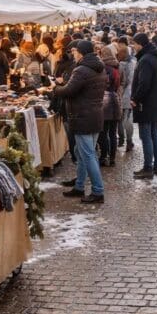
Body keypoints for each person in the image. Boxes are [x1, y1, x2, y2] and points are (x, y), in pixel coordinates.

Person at [51, 40, 107, 204]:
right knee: (82, 152)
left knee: (88, 154)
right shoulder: (99, 67)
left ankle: (98, 191)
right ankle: (79, 186)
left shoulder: (81, 70)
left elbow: (68, 90)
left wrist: (54, 87)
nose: (73, 54)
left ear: (81, 52)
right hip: (95, 116)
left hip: (83, 117)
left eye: (75, 51)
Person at [130, 33, 157, 179]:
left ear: (140, 44)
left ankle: (148, 168)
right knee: (154, 134)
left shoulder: (146, 59)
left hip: (146, 103)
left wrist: (136, 99)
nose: (133, 46)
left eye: (134, 43)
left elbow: (144, 84)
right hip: (156, 101)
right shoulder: (156, 56)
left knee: (146, 136)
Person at [98, 45, 122, 167]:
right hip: (115, 100)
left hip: (105, 101)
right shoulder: (116, 68)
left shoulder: (103, 68)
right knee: (113, 133)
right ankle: (112, 158)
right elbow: (118, 85)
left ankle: (104, 156)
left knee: (103, 132)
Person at [116, 39, 136, 153]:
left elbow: (123, 82)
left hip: (123, 94)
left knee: (121, 119)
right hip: (131, 93)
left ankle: (122, 139)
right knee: (127, 119)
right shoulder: (134, 62)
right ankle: (129, 140)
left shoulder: (121, 65)